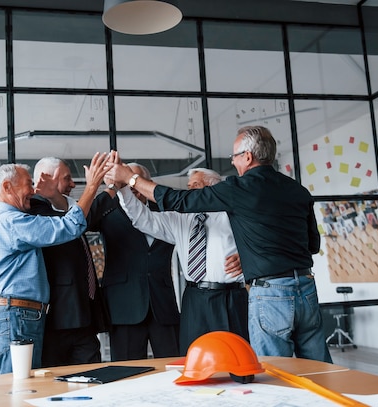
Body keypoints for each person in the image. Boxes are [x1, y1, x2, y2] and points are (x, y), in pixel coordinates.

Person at [106, 126, 333, 363]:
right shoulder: (298, 190)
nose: (233, 163)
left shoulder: (238, 195)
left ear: (247, 156)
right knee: (316, 364)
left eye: (234, 156)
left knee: (271, 368)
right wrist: (125, 189)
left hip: (256, 294)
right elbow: (311, 244)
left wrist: (131, 178)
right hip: (303, 288)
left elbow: (179, 199)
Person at [0, 152, 110, 374]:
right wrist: (92, 185)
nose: (33, 190)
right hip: (16, 316)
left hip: (15, 314)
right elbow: (69, 227)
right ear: (8, 187)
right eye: (29, 184)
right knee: (17, 387)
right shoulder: (13, 222)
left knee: (22, 385)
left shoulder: (0, 221)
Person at [114, 167, 248, 355]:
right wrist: (123, 190)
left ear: (214, 189)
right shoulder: (180, 218)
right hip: (193, 299)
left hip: (229, 298)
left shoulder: (234, 216)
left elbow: (264, 241)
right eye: (188, 186)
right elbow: (143, 218)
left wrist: (247, 257)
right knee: (193, 357)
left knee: (235, 356)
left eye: (196, 185)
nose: (189, 190)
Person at [87, 163, 180, 361]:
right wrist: (108, 189)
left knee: (173, 366)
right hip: (124, 306)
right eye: (125, 185)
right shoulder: (108, 209)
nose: (131, 190)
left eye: (133, 183)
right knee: (127, 372)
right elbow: (83, 221)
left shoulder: (166, 210)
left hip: (162, 302)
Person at [28, 157, 107, 367]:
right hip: (58, 320)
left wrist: (55, 194)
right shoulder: (34, 211)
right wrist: (92, 187)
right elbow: (69, 223)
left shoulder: (62, 209)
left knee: (93, 379)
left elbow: (73, 214)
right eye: (67, 178)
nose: (73, 184)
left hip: (83, 318)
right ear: (47, 178)